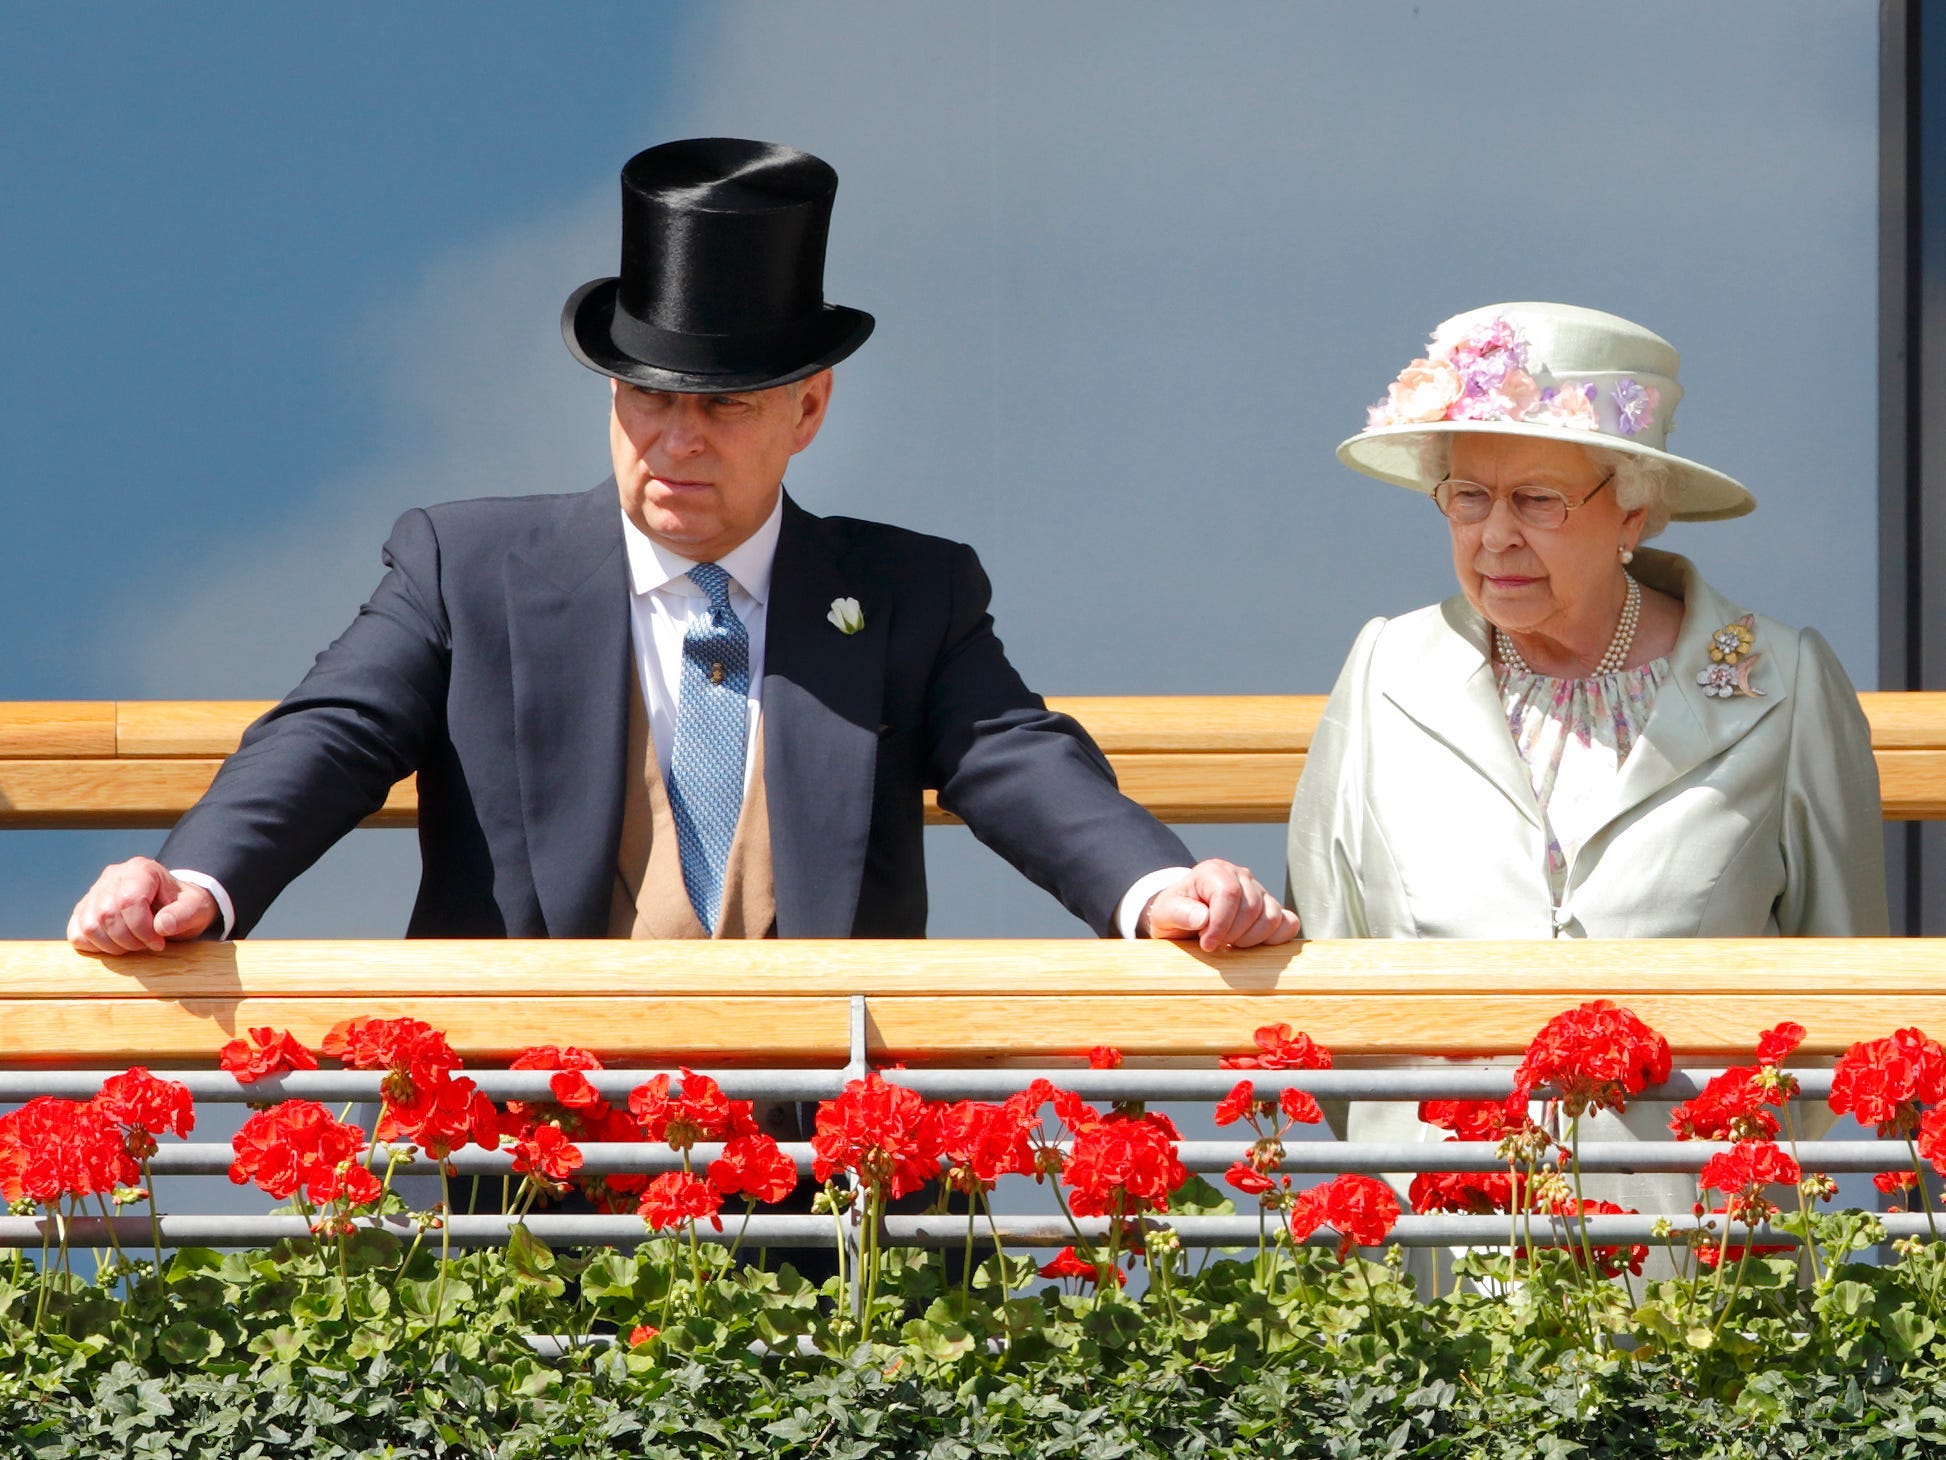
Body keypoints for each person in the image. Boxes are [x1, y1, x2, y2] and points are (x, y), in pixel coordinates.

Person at [68, 137, 1298, 958]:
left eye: (722, 405)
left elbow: (1016, 758)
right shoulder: (467, 566)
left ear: (808, 410)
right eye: (646, 397)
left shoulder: (907, 593)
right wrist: (199, 884)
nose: (674, 438)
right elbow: (329, 734)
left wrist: (1158, 892)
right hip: (526, 1169)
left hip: (821, 1173)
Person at [1287, 302, 1886, 1263]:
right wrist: (1396, 1162)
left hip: (1694, 1261)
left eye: (1537, 500)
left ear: (1634, 510)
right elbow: (1327, 948)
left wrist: (1720, 1189)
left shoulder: (1782, 680)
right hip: (1433, 1256)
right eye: (1467, 497)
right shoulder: (1385, 668)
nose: (1494, 538)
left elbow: (1844, 978)